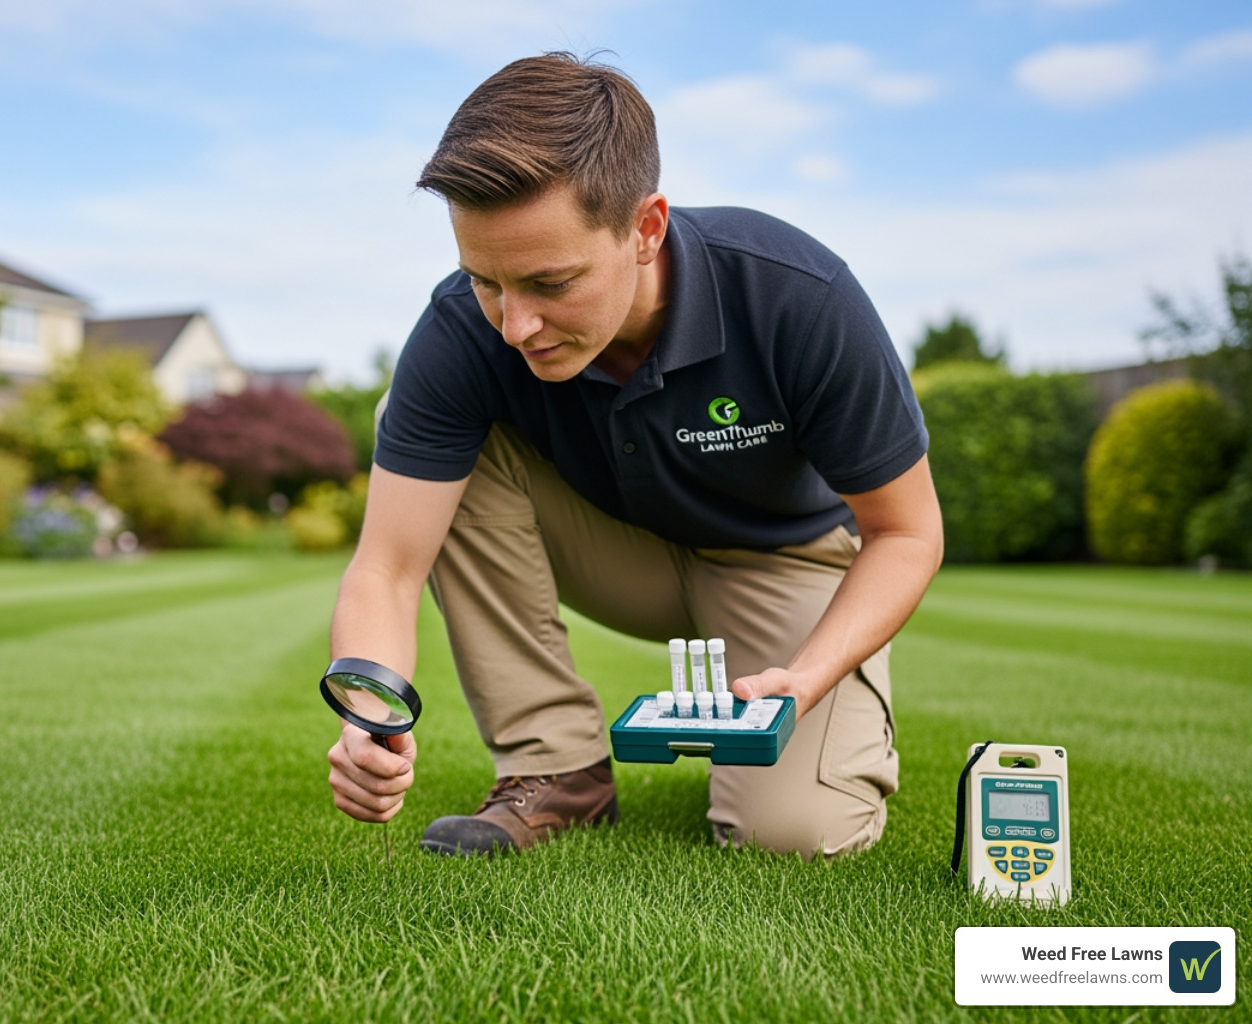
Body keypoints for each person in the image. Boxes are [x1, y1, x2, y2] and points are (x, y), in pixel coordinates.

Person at [325, 52, 943, 859]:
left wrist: (808, 676)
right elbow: (386, 568)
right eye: (485, 280)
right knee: (426, 440)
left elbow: (906, 534)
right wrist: (368, 711)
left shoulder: (798, 295)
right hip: (615, 556)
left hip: (782, 565)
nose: (514, 325)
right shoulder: (458, 330)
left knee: (795, 836)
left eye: (550, 282)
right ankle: (556, 767)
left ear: (645, 229)